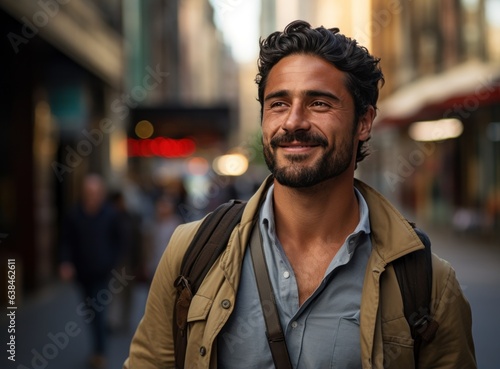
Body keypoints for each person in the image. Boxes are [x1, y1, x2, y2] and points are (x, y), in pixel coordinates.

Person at [123, 20, 476, 369]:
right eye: (278, 104)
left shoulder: (428, 282)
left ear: (364, 123)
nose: (293, 122)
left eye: (319, 103)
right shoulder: (191, 251)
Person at [60, 173, 125, 369]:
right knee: (91, 311)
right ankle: (98, 347)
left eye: (96, 192)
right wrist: (65, 262)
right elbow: (66, 241)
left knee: (99, 311)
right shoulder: (74, 214)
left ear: (102, 194)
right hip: (81, 272)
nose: (92, 196)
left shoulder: (110, 214)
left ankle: (100, 352)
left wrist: (112, 262)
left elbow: (120, 241)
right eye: (89, 192)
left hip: (102, 272)